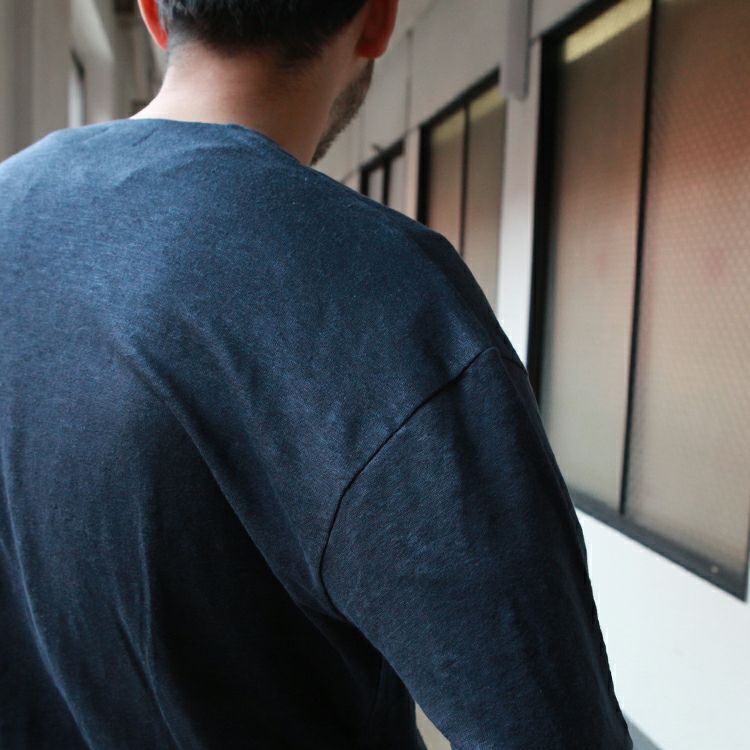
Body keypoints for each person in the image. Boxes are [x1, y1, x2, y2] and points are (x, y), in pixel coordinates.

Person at [0, 1, 634, 748]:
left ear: (153, 13)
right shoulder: (383, 294)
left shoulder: (11, 209)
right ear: (378, 21)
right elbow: (546, 722)